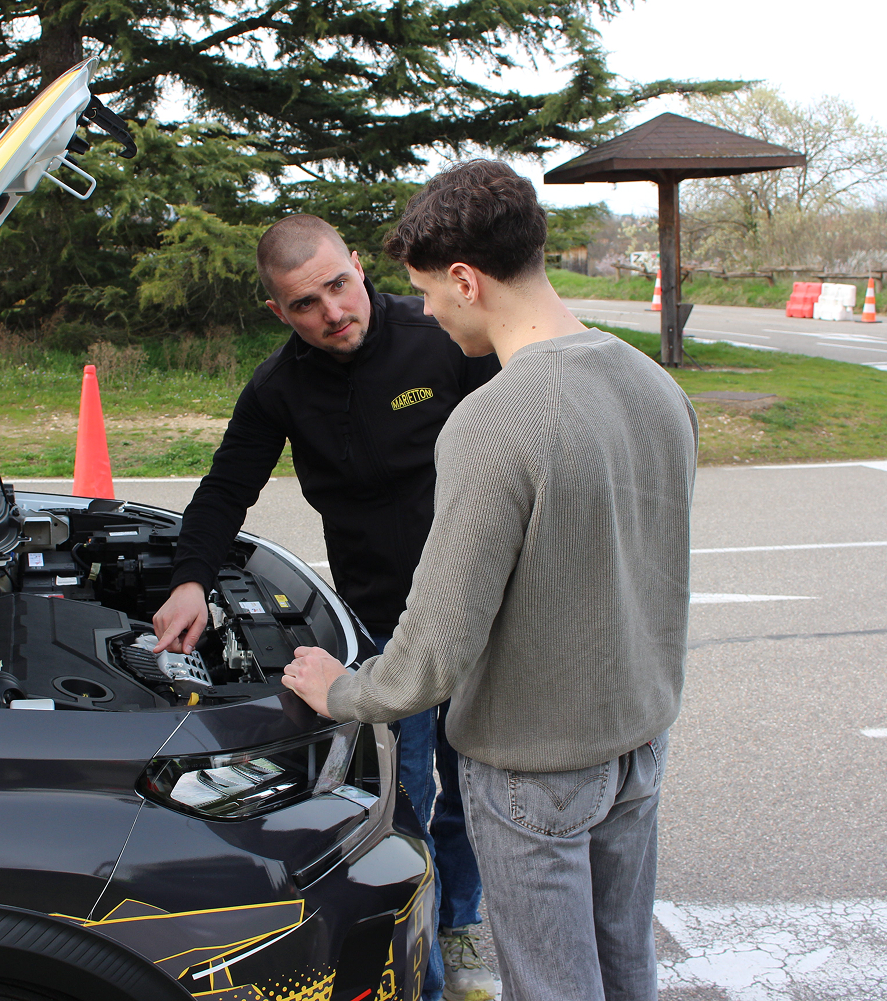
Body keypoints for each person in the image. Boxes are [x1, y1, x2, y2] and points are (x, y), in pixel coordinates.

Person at [281, 160, 698, 1001]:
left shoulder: (494, 418)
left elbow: (434, 647)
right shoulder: (656, 387)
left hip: (533, 768)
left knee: (552, 987)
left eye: (430, 292)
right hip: (639, 746)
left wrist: (345, 691)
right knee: (628, 972)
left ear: (467, 280)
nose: (426, 312)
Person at [150, 214, 502, 1001]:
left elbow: (517, 445)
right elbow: (224, 489)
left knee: (477, 787)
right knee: (399, 801)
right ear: (280, 312)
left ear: (355, 260)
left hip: (479, 617)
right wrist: (188, 580)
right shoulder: (279, 387)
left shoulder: (438, 339)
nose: (334, 312)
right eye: (306, 303)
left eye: (339, 285)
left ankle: (462, 914)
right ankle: (423, 968)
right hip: (382, 629)